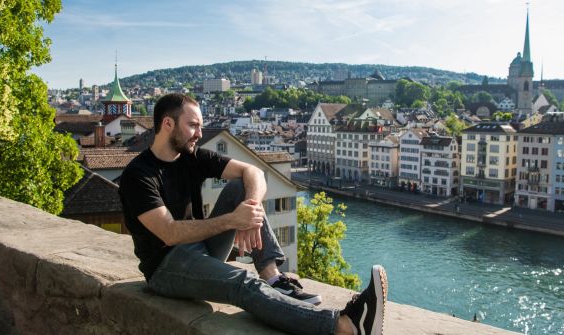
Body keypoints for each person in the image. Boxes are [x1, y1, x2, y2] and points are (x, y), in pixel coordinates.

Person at [119, 93, 388, 335]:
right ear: (168, 124)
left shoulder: (191, 157)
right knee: (241, 283)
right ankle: (344, 327)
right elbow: (170, 232)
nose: (199, 133)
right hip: (166, 267)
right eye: (193, 125)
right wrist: (235, 220)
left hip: (201, 249)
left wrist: (250, 210)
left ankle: (272, 276)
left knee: (241, 187)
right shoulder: (139, 175)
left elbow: (254, 172)